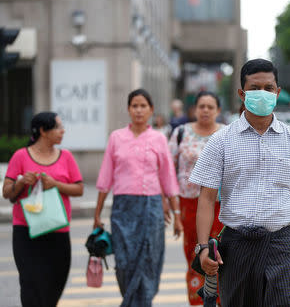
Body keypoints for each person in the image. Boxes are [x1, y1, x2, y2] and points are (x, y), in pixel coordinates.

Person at [189, 58, 290, 306]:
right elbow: (206, 199)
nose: (262, 94)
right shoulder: (221, 142)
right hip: (237, 246)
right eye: (254, 88)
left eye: (268, 88)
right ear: (242, 93)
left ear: (277, 92)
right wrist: (202, 247)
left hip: (283, 244)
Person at [93, 89, 183, 307]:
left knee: (149, 259)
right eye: (135, 105)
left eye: (143, 106)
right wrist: (97, 214)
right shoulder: (116, 137)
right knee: (123, 261)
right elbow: (105, 178)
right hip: (122, 208)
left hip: (151, 207)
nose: (139, 110)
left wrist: (177, 215)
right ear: (128, 109)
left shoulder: (159, 139)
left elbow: (168, 179)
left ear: (151, 110)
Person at [2, 112, 84, 307]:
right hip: (27, 232)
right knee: (31, 288)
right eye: (58, 127)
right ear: (43, 131)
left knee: (54, 287)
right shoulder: (20, 156)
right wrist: (22, 182)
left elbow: (79, 189)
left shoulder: (66, 157)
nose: (62, 131)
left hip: (57, 232)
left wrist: (55, 184)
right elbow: (7, 192)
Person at [169, 91, 224, 305]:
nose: (206, 110)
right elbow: (168, 170)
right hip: (189, 204)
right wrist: (170, 203)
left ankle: (220, 300)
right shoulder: (181, 133)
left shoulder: (226, 134)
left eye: (211, 107)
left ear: (218, 111)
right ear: (195, 109)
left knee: (221, 254)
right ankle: (198, 301)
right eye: (202, 106)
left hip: (220, 204)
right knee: (195, 253)